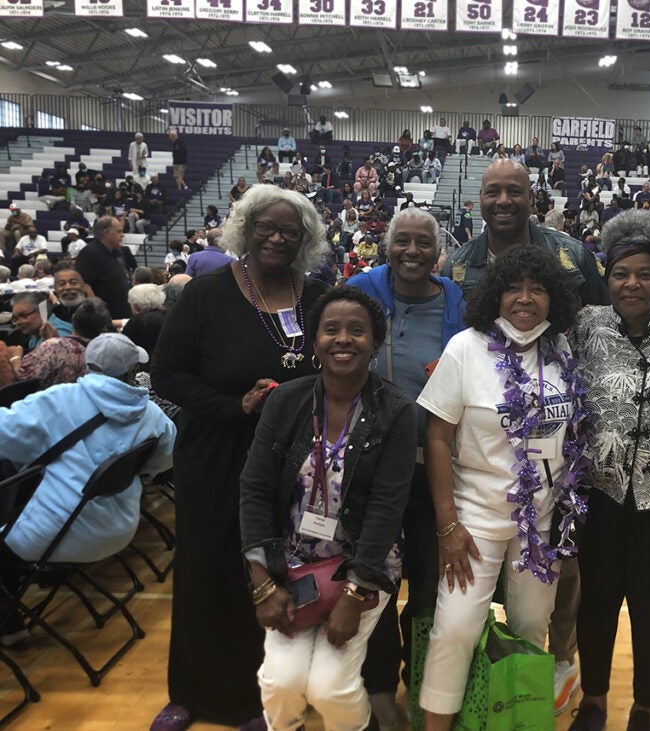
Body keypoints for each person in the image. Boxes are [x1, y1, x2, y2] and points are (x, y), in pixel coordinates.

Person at [150, 186, 329, 730]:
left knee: (276, 572)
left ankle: (265, 698)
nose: (276, 238)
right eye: (266, 227)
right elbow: (167, 374)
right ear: (245, 229)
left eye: (289, 231)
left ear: (305, 240)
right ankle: (190, 694)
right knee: (207, 567)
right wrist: (234, 405)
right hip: (217, 452)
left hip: (290, 458)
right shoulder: (206, 294)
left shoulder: (318, 295)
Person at [417, 245, 586, 731]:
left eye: (538, 288)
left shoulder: (562, 351)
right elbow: (437, 434)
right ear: (497, 294)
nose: (526, 298)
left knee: (533, 626)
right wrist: (448, 522)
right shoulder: (466, 348)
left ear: (553, 297)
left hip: (543, 520)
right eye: (514, 287)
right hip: (476, 516)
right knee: (456, 628)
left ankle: (518, 718)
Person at [238, 286, 416, 730]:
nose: (343, 339)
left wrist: (354, 596)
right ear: (314, 341)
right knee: (280, 683)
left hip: (363, 565)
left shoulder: (395, 410)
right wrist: (262, 584)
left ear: (375, 344)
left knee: (330, 688)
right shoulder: (286, 401)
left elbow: (386, 508)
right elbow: (255, 488)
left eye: (357, 331)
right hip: (291, 564)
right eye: (331, 329)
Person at [567, 209, 650, 731]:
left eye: (645, 273)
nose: (632, 283)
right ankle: (595, 699)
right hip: (600, 495)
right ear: (607, 277)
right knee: (596, 602)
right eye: (621, 274)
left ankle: (647, 706)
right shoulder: (586, 325)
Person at [346, 208, 467, 727]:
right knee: (370, 580)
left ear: (437, 251)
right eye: (403, 242)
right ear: (386, 245)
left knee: (428, 584)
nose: (412, 252)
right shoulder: (360, 290)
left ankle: (425, 683)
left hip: (434, 466)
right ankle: (377, 688)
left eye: (423, 243)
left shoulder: (457, 301)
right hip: (369, 468)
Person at [0, 333, 175, 567]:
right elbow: (166, 459)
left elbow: (5, 436)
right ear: (132, 371)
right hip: (120, 525)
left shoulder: (58, 400)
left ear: (87, 365)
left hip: (49, 534)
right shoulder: (151, 414)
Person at [440, 159, 607, 306]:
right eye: (493, 192)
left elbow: (605, 329)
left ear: (530, 197)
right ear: (481, 197)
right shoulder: (455, 267)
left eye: (514, 191)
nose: (503, 200)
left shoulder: (575, 257)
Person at [9, 297, 110, 389]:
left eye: (24, 315)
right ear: (103, 328)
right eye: (15, 319)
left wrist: (15, 357)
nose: (19, 322)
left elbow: (21, 382)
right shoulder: (106, 352)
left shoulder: (54, 346)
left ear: (73, 319)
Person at [75, 216, 133, 319]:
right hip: (106, 319)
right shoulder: (90, 253)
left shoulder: (113, 253)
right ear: (106, 233)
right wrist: (99, 313)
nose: (122, 235)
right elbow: (84, 283)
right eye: (119, 231)